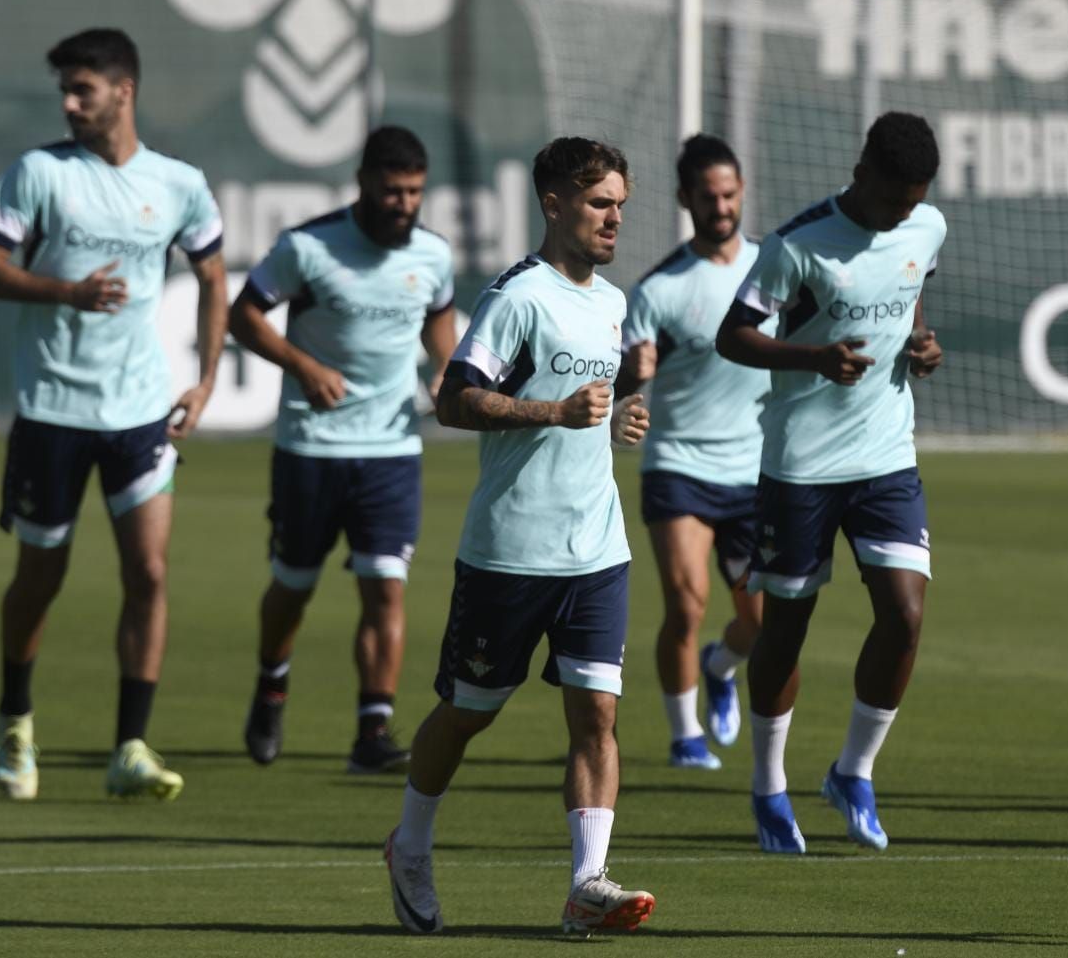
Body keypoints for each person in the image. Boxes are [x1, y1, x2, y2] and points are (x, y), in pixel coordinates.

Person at [383, 137, 655, 935]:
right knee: (468, 711)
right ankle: (409, 845)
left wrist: (614, 424)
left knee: (597, 714)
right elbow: (456, 400)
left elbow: (589, 408)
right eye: (601, 203)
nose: (613, 220)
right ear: (555, 204)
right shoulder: (519, 297)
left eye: (620, 206)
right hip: (509, 551)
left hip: (597, 549)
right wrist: (556, 412)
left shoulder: (611, 302)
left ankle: (586, 882)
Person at [0, 28, 227, 801]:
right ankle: (15, 715)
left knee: (148, 571)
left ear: (125, 91)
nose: (70, 104)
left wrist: (206, 382)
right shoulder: (40, 172)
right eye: (66, 92)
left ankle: (131, 746)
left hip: (141, 411)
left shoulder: (179, 182)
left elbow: (214, 277)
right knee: (40, 575)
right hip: (51, 407)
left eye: (83, 90)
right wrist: (65, 292)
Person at [715, 111, 946, 854]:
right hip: (801, 468)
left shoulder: (925, 227)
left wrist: (918, 339)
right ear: (864, 170)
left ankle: (853, 770)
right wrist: (810, 358)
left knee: (906, 615)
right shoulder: (797, 244)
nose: (905, 215)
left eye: (917, 201)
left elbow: (910, 290)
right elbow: (734, 334)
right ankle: (768, 786)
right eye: (897, 199)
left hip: (886, 457)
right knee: (786, 629)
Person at [228, 126, 457, 773]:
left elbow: (439, 311)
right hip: (310, 446)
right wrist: (303, 365)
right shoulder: (308, 247)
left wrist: (443, 365)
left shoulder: (432, 255)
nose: (402, 203)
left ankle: (372, 731)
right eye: (391, 191)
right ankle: (272, 681)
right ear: (363, 184)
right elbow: (243, 316)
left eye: (413, 192)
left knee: (385, 587)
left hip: (391, 450)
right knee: (293, 584)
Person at [615, 133, 765, 770]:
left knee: (762, 622)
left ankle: (720, 665)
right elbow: (621, 384)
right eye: (708, 195)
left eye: (730, 193)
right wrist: (632, 376)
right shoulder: (659, 289)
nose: (722, 205)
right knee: (686, 601)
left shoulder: (771, 269)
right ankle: (684, 735)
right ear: (685, 199)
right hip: (679, 464)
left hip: (758, 471)